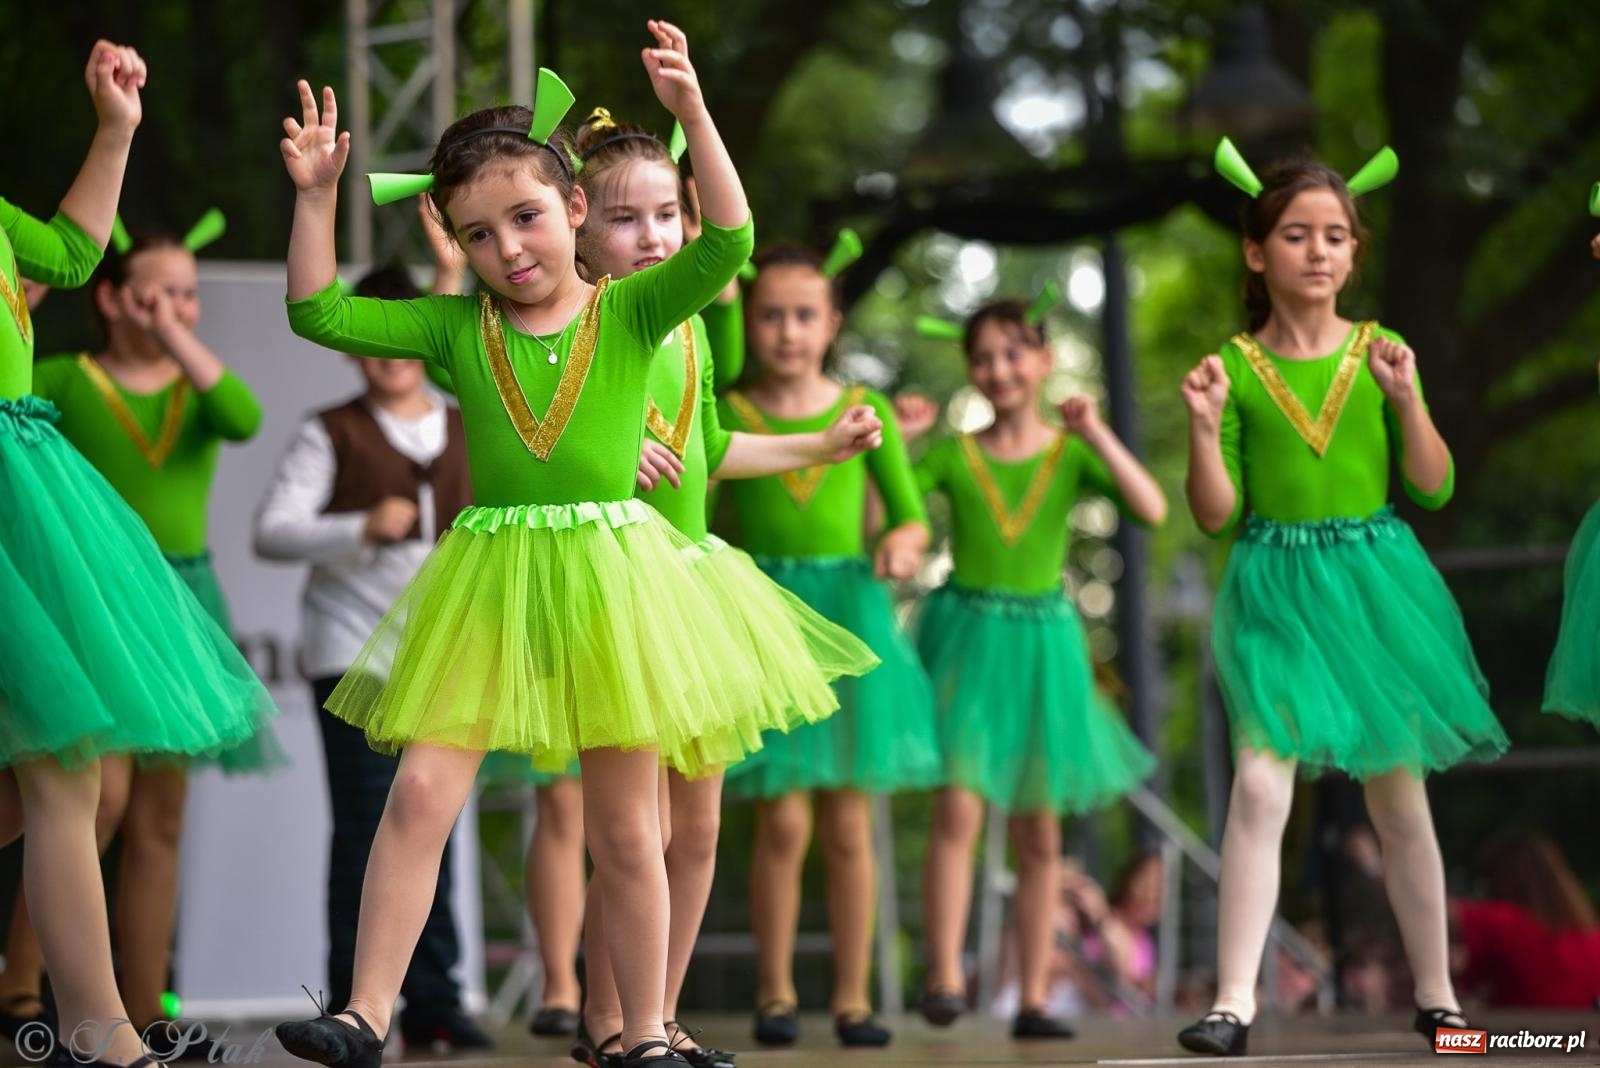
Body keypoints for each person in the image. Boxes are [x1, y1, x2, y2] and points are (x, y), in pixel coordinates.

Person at [269, 24, 868, 1067]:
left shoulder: (635, 312)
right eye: (481, 234)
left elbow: (727, 241)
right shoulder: (458, 331)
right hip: (490, 578)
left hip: (612, 580)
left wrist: (691, 114)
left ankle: (639, 1033)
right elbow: (317, 311)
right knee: (418, 793)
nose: (510, 249)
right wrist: (317, 198)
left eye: (528, 218)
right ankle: (366, 1013)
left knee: (628, 830)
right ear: (456, 245)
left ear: (573, 211)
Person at [564, 108, 882, 1068]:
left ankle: (658, 1016)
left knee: (696, 825)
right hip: (617, 588)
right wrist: (615, 457)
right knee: (638, 827)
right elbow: (545, 450)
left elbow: (709, 451)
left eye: (669, 216)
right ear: (578, 223)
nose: (655, 236)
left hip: (696, 595)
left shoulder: (695, 334)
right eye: (628, 219)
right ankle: (607, 1021)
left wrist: (819, 445)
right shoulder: (574, 331)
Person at [1175, 139, 1507, 1057]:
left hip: (1372, 589)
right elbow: (1214, 515)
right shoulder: (1232, 369)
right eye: (1295, 234)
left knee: (1400, 801)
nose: (1318, 251)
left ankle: (1439, 1001)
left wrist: (1407, 405)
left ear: (1354, 253)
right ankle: (1233, 1000)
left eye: (1335, 236)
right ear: (1256, 252)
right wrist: (1203, 429)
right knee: (1258, 785)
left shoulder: (1382, 355)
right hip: (1273, 592)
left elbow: (1432, 486)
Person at [0, 40, 275, 1068]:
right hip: (34, 520)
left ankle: (101, 1027)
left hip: (47, 520)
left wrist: (115, 127)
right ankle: (75, 1016)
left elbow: (68, 254)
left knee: (74, 777)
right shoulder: (77, 374)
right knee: (67, 780)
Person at [904, 295, 1161, 1040]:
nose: (1000, 368)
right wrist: (904, 442)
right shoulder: (955, 454)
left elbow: (1147, 507)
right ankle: (945, 973)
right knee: (960, 806)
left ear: (1045, 361)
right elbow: (889, 520)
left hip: (1045, 647)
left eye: (1016, 352)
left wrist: (1096, 431)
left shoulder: (1071, 449)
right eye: (983, 356)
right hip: (970, 638)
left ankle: (1032, 997)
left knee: (1040, 832)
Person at [253, 257, 492, 1053]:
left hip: (448, 651)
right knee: (365, 828)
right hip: (352, 651)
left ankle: (436, 1001)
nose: (389, 351)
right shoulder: (330, 430)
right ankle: (354, 1007)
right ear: (354, 344)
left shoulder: (470, 421)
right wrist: (357, 527)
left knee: (436, 823)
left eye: (404, 330)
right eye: (372, 333)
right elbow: (272, 529)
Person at [717, 240, 941, 1049]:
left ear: (832, 323)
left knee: (850, 824)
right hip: (763, 617)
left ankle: (854, 997)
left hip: (848, 618)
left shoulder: (860, 406)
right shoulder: (727, 412)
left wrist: (906, 546)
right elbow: (694, 509)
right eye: (770, 314)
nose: (786, 331)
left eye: (803, 315)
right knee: (779, 823)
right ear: (748, 317)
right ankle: (774, 993)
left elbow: (908, 511)